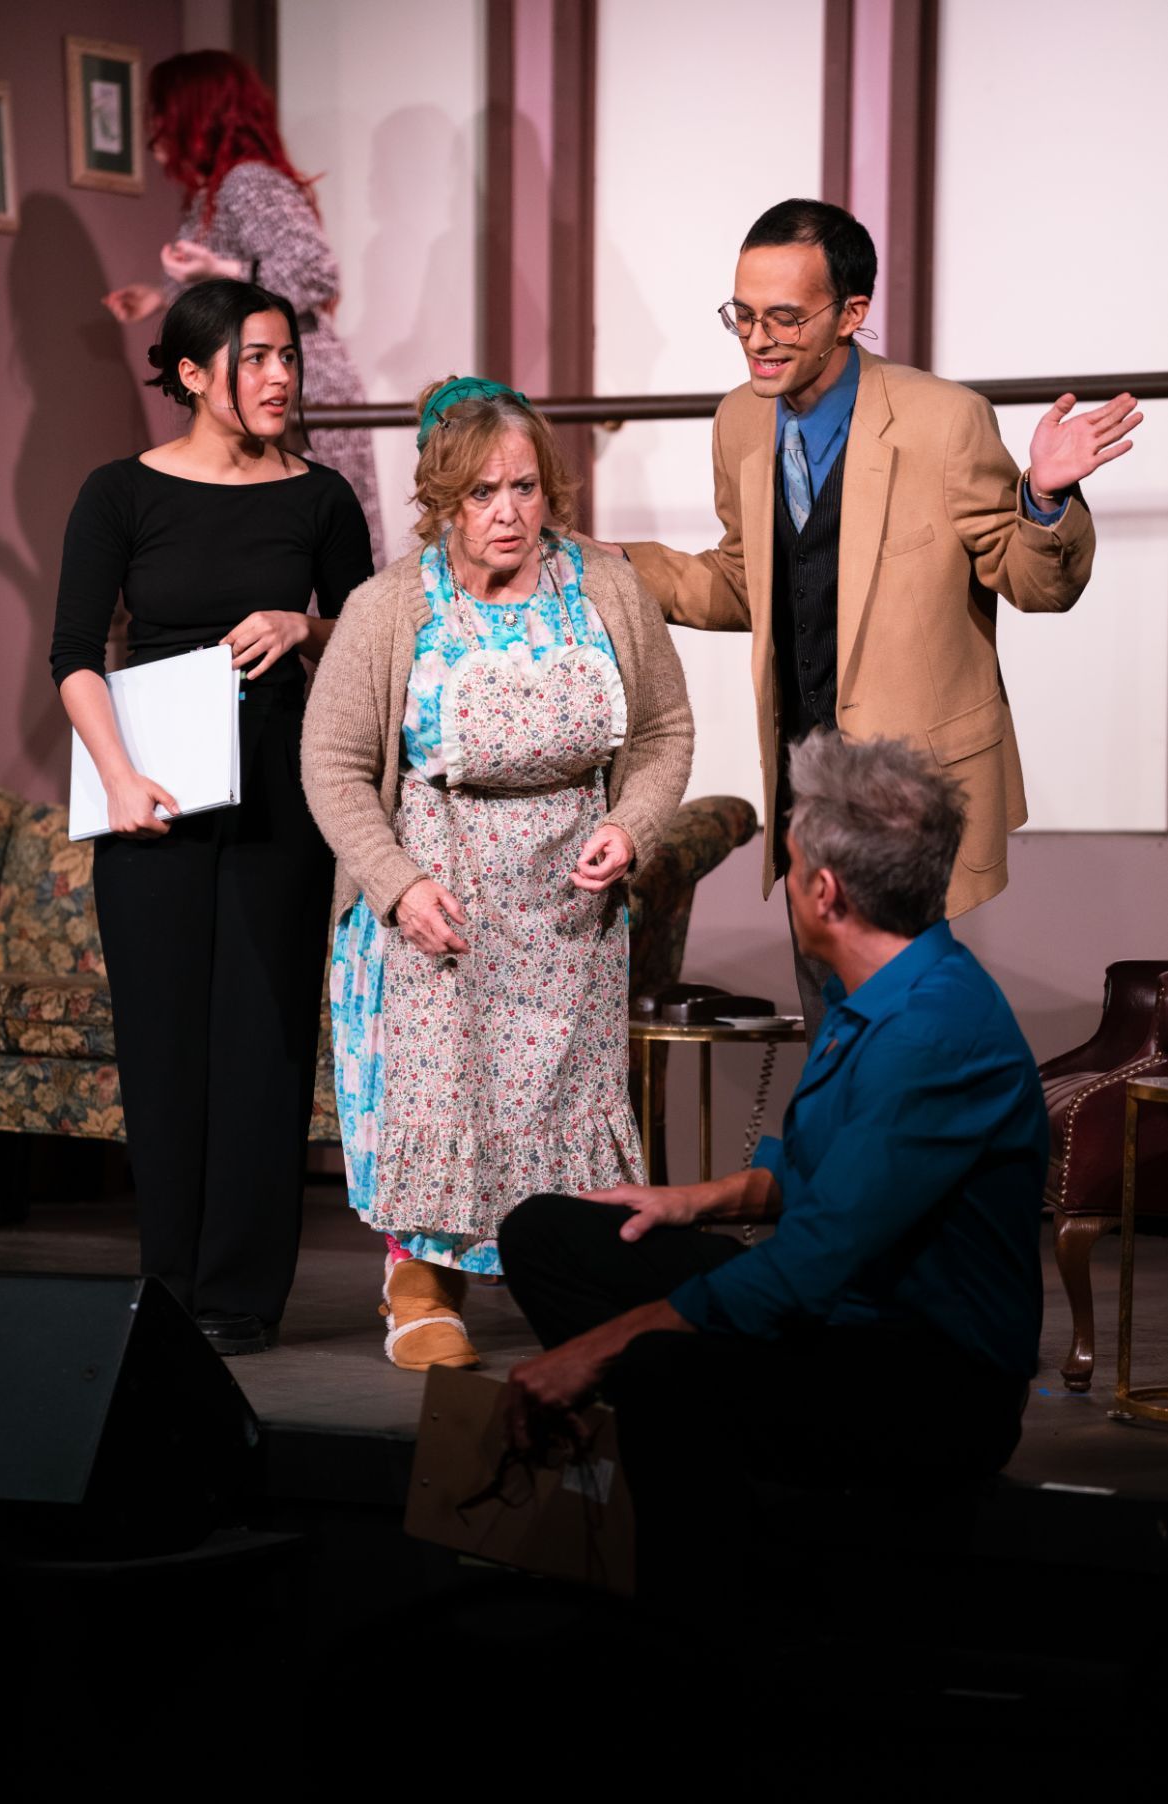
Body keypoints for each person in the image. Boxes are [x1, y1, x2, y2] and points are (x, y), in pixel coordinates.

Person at [500, 729, 1050, 1609]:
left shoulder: (931, 1032)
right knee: (547, 1234)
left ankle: (711, 1610)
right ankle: (668, 1487)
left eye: (788, 866)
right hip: (841, 1313)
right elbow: (829, 1173)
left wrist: (598, 1348)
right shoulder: (878, 990)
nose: (785, 885)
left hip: (927, 1376)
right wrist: (691, 1200)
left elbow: (812, 1259)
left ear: (825, 892)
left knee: (656, 1367)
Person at [615, 198, 1142, 1038]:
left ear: (849, 313)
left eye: (784, 317)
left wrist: (1043, 497)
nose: (757, 339)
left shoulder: (943, 420)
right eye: (742, 315)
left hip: (909, 786)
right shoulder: (738, 420)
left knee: (903, 1026)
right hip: (804, 781)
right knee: (831, 1020)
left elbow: (1033, 583)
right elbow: (747, 584)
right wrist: (617, 566)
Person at [303, 376, 694, 1371]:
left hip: (569, 911)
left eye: (524, 487)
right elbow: (332, 764)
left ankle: (572, 1280)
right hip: (441, 902)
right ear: (444, 498)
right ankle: (419, 1286)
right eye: (482, 492)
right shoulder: (391, 607)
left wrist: (632, 827)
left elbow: (662, 732)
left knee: (561, 1107)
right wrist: (396, 883)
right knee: (444, 1097)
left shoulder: (605, 590)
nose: (508, 512)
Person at [51, 279, 374, 1354]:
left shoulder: (321, 497)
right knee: (163, 1045)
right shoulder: (119, 493)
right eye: (257, 359)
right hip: (152, 791)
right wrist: (118, 776)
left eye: (289, 357)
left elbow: (371, 638)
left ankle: (240, 1296)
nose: (282, 378)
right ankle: (171, 1287)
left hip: (280, 793)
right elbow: (73, 655)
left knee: (263, 1043)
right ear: (192, 375)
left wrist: (303, 626)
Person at [104, 49, 385, 568]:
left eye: (161, 114)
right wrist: (162, 295)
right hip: (254, 384)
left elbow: (313, 271)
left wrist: (218, 269)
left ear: (195, 114)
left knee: (323, 552)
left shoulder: (247, 181)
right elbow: (233, 287)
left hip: (290, 386)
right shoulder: (213, 192)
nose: (154, 132)